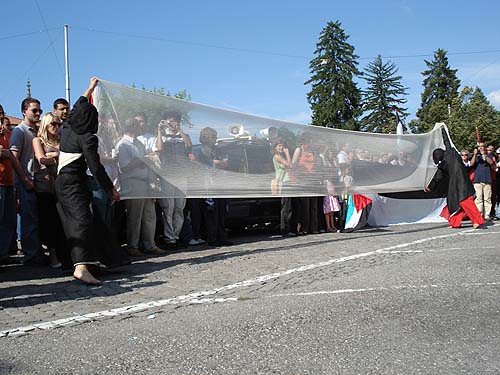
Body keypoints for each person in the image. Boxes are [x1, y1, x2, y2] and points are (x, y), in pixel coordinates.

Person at [56, 77, 120, 285]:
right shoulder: (87, 138)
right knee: (81, 220)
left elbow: (79, 104)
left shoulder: (67, 126)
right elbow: (96, 167)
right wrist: (110, 189)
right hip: (71, 184)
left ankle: (93, 263)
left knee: (88, 221)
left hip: (69, 182)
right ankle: (81, 267)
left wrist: (90, 88)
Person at [116, 117, 166, 257]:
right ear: (133, 127)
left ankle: (150, 244)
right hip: (133, 182)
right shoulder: (123, 145)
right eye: (139, 125)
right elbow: (124, 167)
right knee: (135, 216)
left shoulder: (139, 143)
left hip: (145, 181)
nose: (141, 128)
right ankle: (132, 246)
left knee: (149, 215)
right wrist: (143, 159)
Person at [9, 97, 46, 265]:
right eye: (34, 110)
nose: (38, 113)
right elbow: (13, 157)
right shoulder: (19, 131)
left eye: (39, 111)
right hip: (26, 182)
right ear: (24, 111)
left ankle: (36, 251)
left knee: (36, 218)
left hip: (38, 181)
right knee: (28, 220)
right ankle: (31, 255)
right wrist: (24, 179)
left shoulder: (37, 131)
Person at [424, 126, 484, 229]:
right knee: (458, 203)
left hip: (458, 184)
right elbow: (447, 141)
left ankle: (476, 221)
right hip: (462, 182)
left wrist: (430, 186)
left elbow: (437, 178)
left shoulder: (442, 163)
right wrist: (443, 130)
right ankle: (455, 222)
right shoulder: (451, 153)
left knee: (464, 202)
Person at [32, 112, 66, 268]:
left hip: (62, 185)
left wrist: (54, 155)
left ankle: (64, 254)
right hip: (45, 186)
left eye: (58, 124)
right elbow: (41, 159)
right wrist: (55, 157)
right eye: (53, 123)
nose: (56, 127)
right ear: (45, 124)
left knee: (62, 222)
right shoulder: (37, 140)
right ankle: (53, 256)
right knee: (49, 222)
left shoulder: (62, 140)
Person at [155, 111, 193, 247]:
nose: (172, 123)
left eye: (174, 120)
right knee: (168, 207)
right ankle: (169, 238)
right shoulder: (163, 137)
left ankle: (176, 236)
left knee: (179, 207)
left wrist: (180, 130)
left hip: (182, 175)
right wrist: (159, 131)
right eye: (169, 121)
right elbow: (159, 149)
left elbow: (189, 146)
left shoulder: (184, 136)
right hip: (168, 175)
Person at [194, 127, 232, 246]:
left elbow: (225, 163)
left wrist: (217, 163)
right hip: (207, 184)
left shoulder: (218, 150)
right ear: (206, 137)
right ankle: (212, 238)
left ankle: (222, 236)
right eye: (213, 137)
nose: (215, 139)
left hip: (220, 183)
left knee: (221, 211)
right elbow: (199, 166)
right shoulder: (199, 150)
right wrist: (216, 163)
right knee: (211, 211)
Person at [271, 140, 294, 236]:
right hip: (283, 182)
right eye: (279, 146)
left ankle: (288, 228)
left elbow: (289, 165)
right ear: (275, 147)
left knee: (289, 206)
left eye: (282, 146)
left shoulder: (281, 157)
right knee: (285, 206)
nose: (281, 148)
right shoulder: (276, 157)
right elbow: (290, 164)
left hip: (287, 181)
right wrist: (288, 153)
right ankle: (284, 229)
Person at [469, 142, 495, 220]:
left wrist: (484, 155)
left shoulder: (489, 155)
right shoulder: (476, 156)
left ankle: (487, 214)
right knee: (478, 198)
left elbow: (491, 162)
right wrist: (475, 154)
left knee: (487, 198)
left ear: (485, 147)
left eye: (482, 146)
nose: (480, 148)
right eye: (479, 147)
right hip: (478, 180)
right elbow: (471, 164)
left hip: (487, 179)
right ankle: (479, 214)